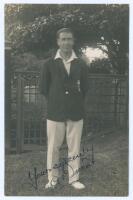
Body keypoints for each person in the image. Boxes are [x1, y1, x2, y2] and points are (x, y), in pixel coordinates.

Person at [40, 28, 89, 190]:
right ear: (58, 42)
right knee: (53, 147)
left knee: (74, 146)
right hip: (55, 111)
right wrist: (57, 101)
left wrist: (74, 102)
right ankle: (52, 178)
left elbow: (86, 88)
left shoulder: (81, 63)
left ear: (73, 41)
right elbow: (44, 88)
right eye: (63, 39)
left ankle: (74, 179)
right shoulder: (49, 64)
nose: (66, 42)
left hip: (76, 111)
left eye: (69, 39)